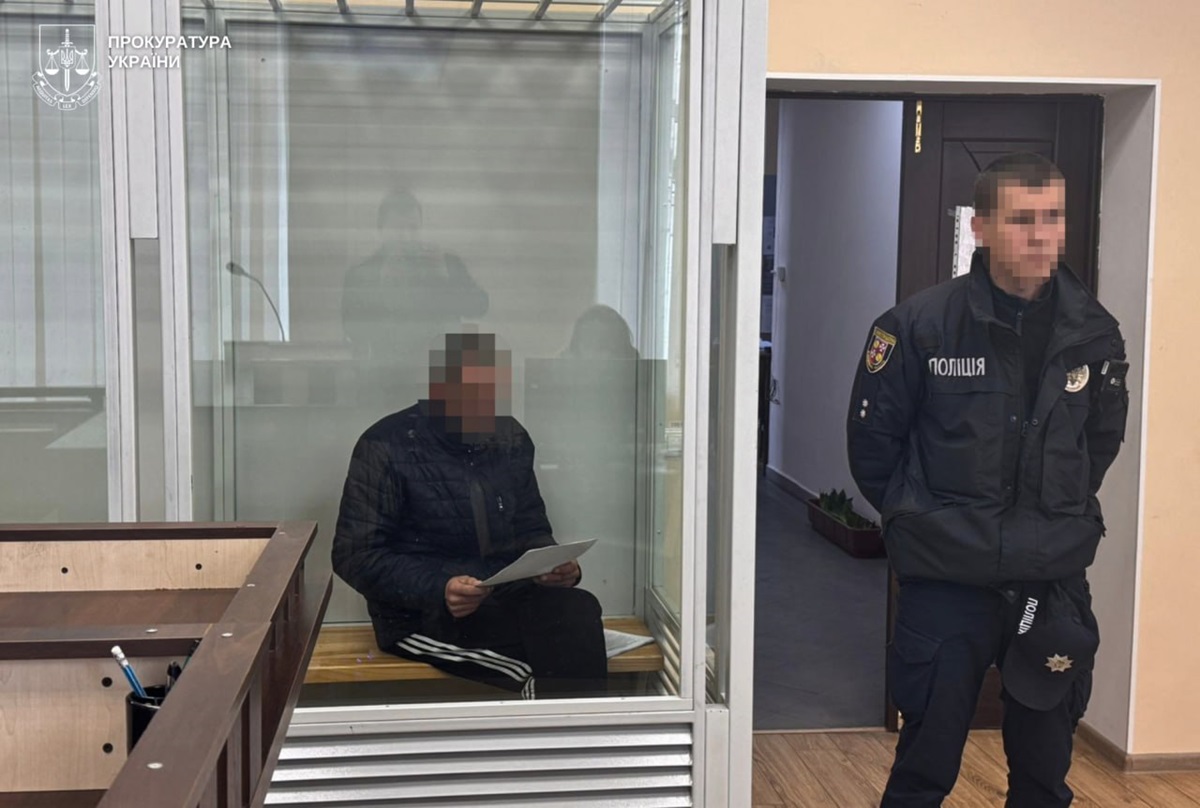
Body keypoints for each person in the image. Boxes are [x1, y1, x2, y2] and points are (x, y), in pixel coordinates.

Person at [846, 153, 1130, 807]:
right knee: (924, 770)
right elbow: (874, 450)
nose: (1041, 236)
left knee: (1044, 775)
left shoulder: (1095, 334)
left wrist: (1053, 514)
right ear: (981, 227)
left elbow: (1098, 445)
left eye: (1052, 218)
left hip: (1050, 582)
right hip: (948, 582)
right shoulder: (918, 326)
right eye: (1022, 220)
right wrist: (924, 521)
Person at [332, 331, 608, 698]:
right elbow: (354, 555)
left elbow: (530, 525)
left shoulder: (510, 437)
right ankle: (561, 731)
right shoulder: (385, 445)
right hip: (421, 616)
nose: (483, 404)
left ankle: (581, 732)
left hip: (505, 597)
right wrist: (440, 588)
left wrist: (553, 566)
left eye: (491, 393)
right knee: (544, 669)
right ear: (438, 389)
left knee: (579, 609)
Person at [341, 188, 489, 403]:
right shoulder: (362, 274)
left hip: (441, 381)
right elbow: (352, 329)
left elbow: (480, 306)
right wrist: (382, 285)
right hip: (386, 385)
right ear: (381, 230)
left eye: (413, 228)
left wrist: (444, 278)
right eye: (397, 229)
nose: (406, 237)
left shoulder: (444, 264)